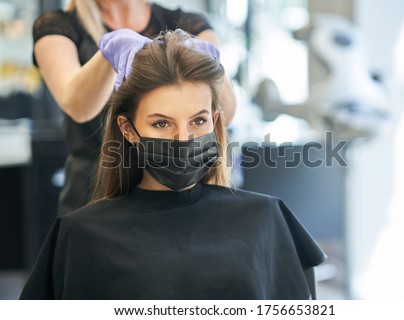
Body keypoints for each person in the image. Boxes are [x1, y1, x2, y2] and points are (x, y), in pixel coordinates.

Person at [20, 29, 326, 300]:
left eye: (198, 120)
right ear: (128, 129)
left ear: (215, 121)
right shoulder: (82, 234)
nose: (183, 138)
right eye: (162, 123)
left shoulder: (265, 218)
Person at [32, 0, 236, 215]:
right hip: (96, 192)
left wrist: (213, 68)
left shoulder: (190, 24)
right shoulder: (58, 26)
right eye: (161, 122)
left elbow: (226, 112)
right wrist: (108, 55)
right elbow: (77, 107)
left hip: (185, 192)